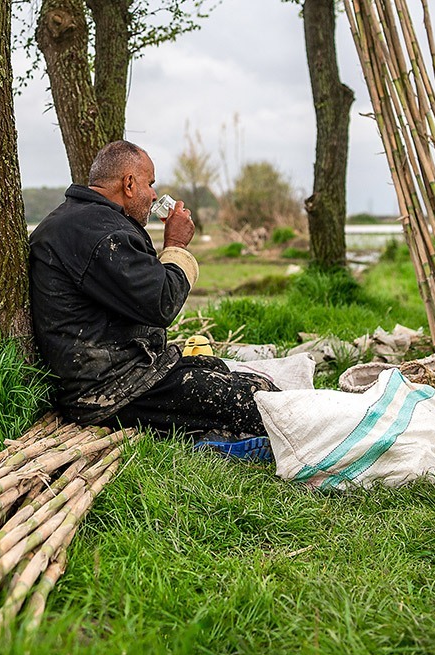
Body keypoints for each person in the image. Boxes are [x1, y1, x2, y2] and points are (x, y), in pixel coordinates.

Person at [29, 140, 277, 443]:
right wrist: (176, 246)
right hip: (110, 389)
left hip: (117, 372)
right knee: (256, 399)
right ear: (129, 184)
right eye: (150, 183)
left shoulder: (80, 220)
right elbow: (162, 304)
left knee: (214, 367)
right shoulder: (104, 233)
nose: (155, 195)